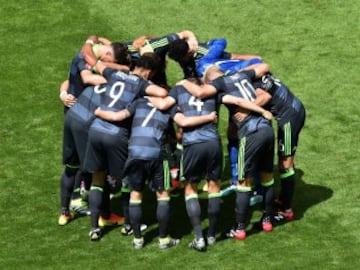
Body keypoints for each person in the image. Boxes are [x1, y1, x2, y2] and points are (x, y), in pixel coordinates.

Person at [181, 64, 275, 240]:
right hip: (268, 130)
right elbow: (264, 66)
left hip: (250, 134)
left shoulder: (220, 86)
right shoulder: (242, 75)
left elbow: (204, 94)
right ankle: (267, 220)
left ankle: (239, 228)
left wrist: (182, 83)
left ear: (209, 81)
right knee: (267, 177)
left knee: (243, 182)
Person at [83, 53, 168, 241]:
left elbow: (92, 61)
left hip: (96, 129)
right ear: (147, 72)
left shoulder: (113, 74)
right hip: (116, 134)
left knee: (97, 180)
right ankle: (129, 224)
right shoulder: (141, 83)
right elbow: (162, 93)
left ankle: (95, 228)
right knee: (126, 181)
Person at [94, 97, 181, 249]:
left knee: (135, 194)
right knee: (163, 195)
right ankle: (163, 239)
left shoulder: (139, 102)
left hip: (135, 152)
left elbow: (121, 116)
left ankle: (137, 240)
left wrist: (98, 111)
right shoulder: (169, 106)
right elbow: (182, 124)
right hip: (157, 154)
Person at [253, 73, 306, 222]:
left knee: (285, 164)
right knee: (285, 160)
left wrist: (244, 109)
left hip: (289, 118)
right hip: (293, 110)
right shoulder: (258, 73)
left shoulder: (254, 84)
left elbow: (265, 98)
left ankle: (286, 210)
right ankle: (283, 199)